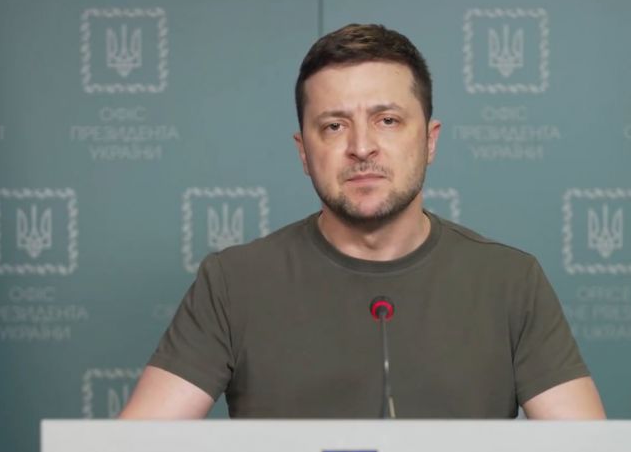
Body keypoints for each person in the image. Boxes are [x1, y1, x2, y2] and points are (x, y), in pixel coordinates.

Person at [120, 24, 605, 419]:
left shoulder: (511, 280)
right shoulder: (232, 282)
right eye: (334, 126)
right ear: (304, 152)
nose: (361, 147)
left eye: (387, 120)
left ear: (430, 140)